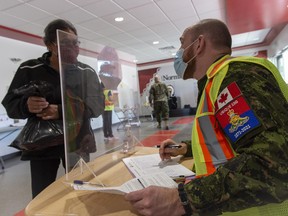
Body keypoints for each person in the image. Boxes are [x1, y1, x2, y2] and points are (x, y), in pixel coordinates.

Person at [125, 19, 288, 215]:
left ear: (199, 44)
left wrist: (181, 199)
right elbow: (231, 137)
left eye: (182, 44)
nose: (179, 53)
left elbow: (274, 164)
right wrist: (186, 148)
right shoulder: (215, 82)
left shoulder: (236, 76)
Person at [1, 19, 104, 198]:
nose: (73, 47)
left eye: (75, 42)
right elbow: (10, 104)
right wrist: (26, 106)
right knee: (42, 196)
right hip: (42, 143)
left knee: (81, 191)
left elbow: (97, 106)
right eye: (65, 43)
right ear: (50, 45)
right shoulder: (30, 68)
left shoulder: (86, 72)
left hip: (78, 141)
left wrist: (62, 111)